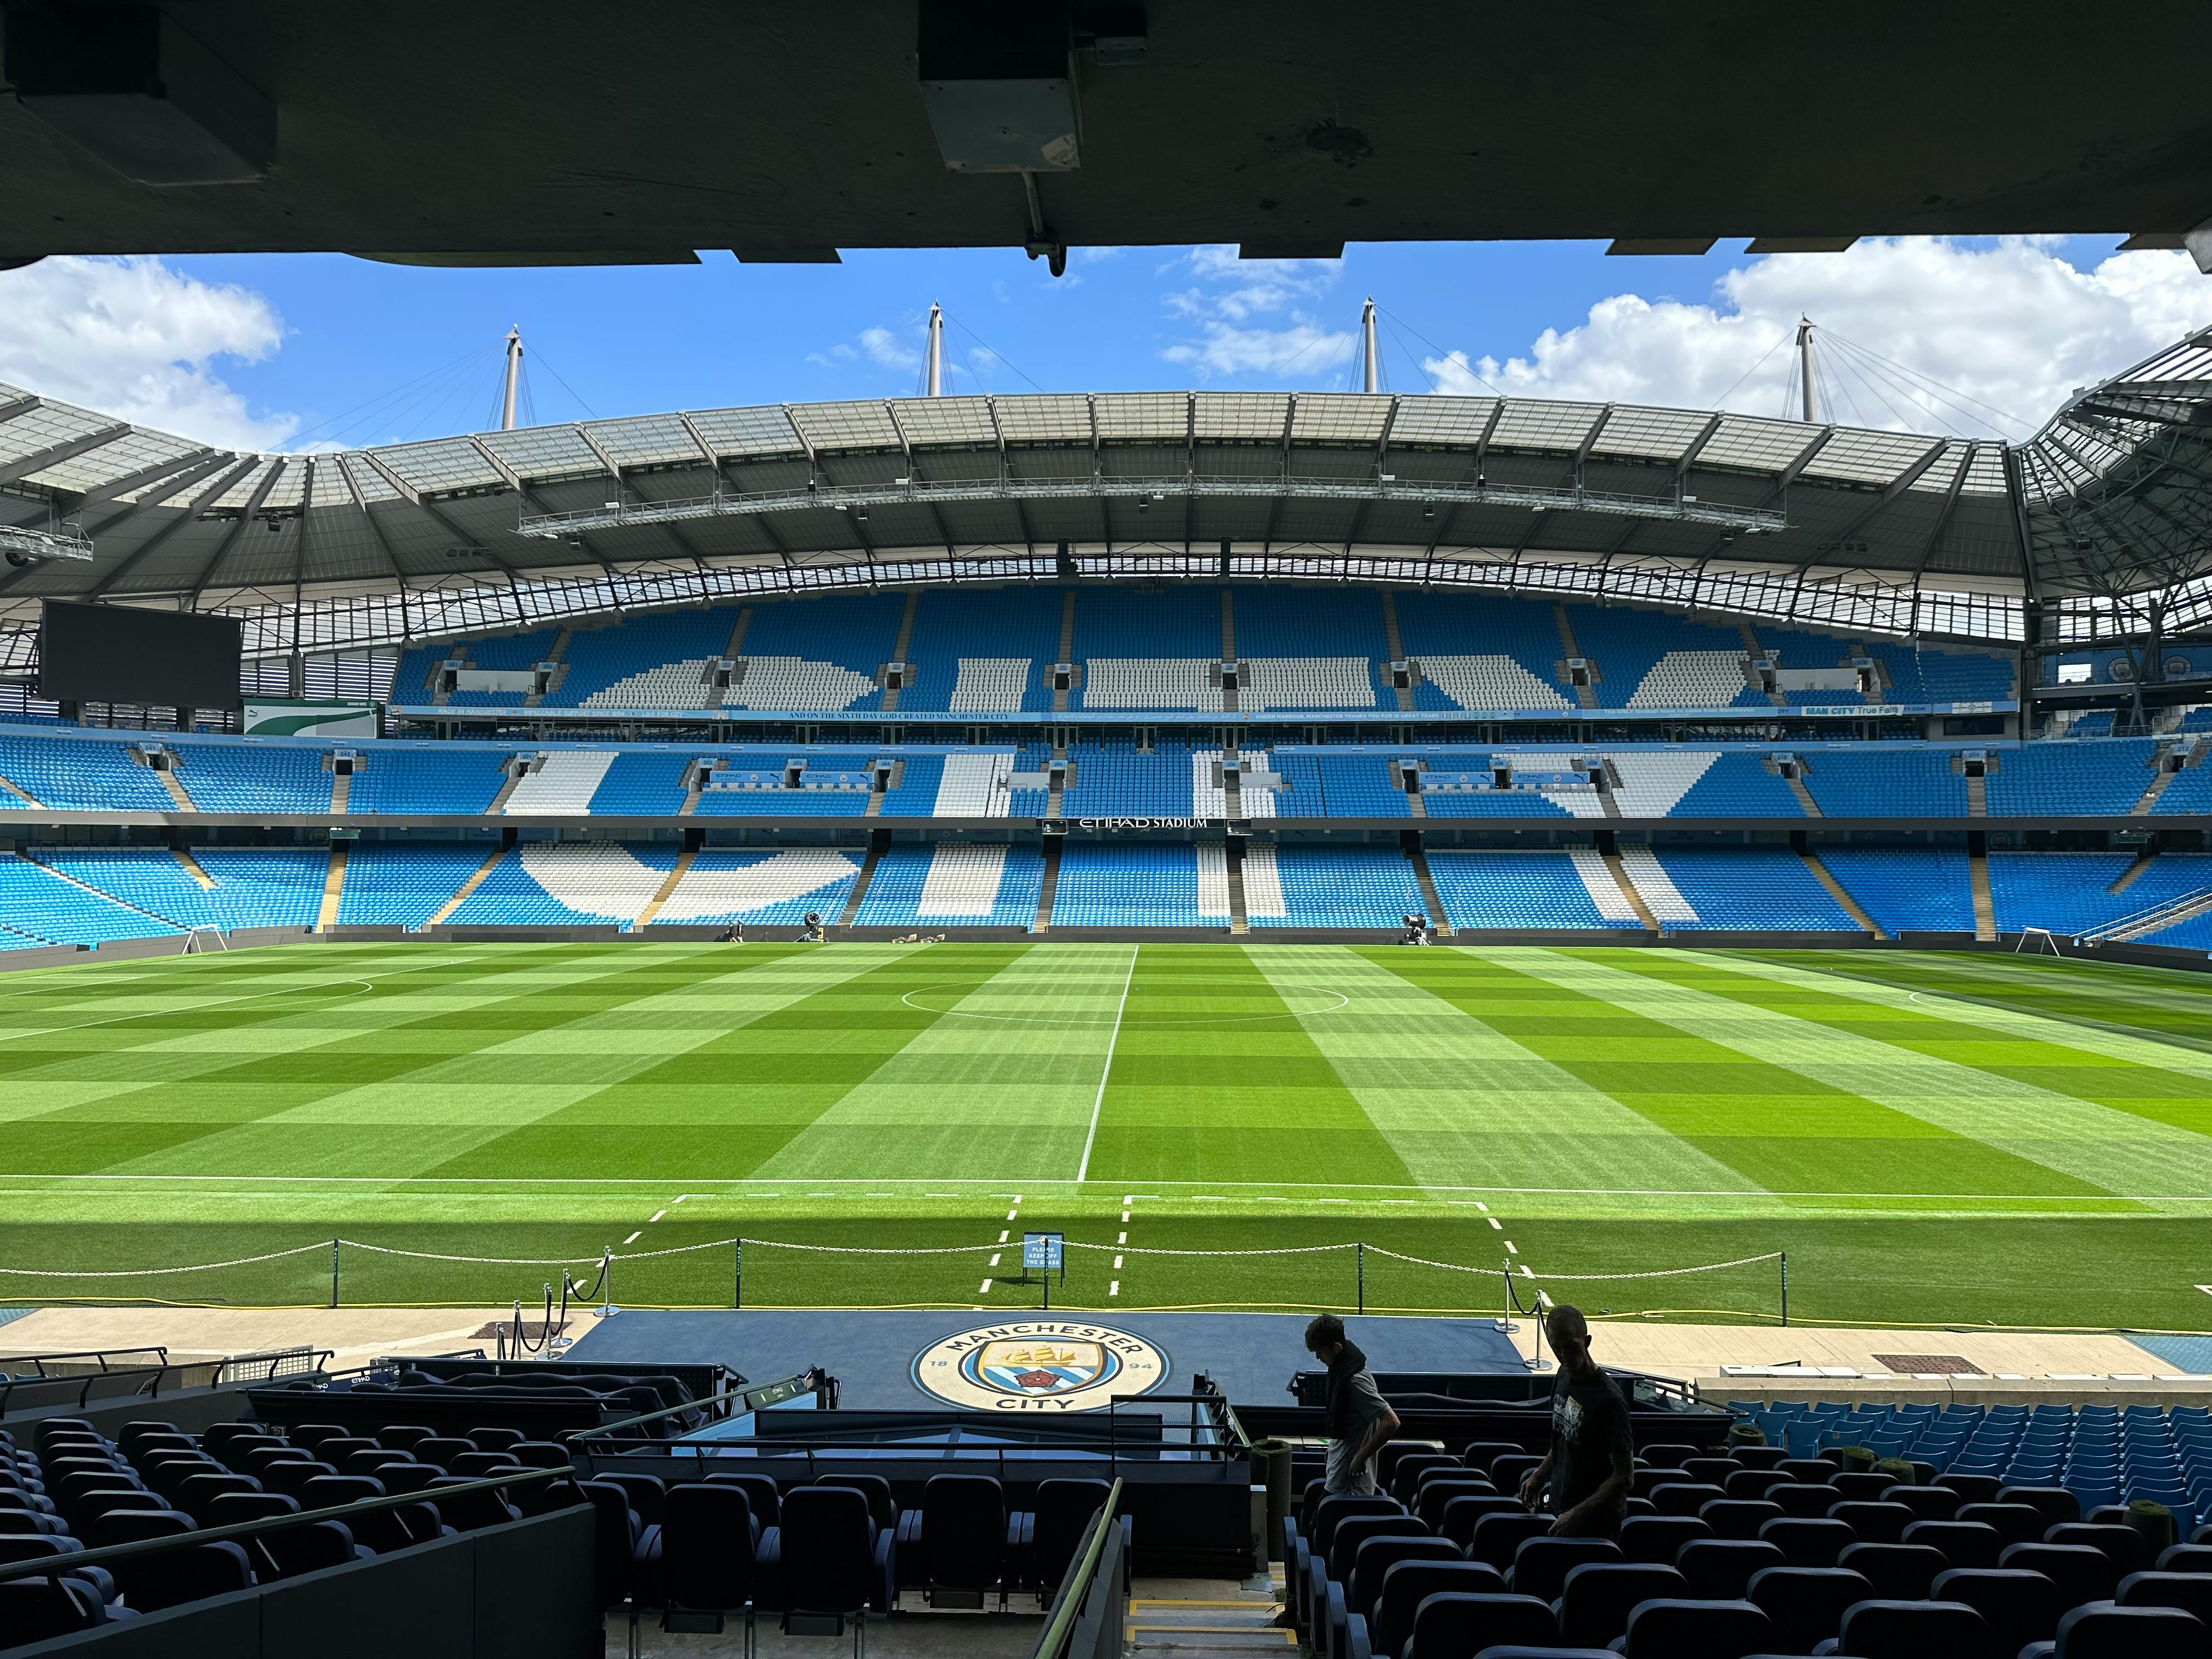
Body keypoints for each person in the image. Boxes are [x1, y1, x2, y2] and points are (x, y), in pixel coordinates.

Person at [1517, 1304, 1634, 1536]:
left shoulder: (1609, 1401)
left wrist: (1576, 1515)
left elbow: (1624, 1477)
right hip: (1562, 1507)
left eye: (1571, 1347)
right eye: (1556, 1348)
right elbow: (1564, 1437)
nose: (1564, 1356)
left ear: (1587, 1341)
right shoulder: (1562, 1377)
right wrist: (1540, 1475)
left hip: (1596, 1523)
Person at [1304, 1313, 1400, 1495]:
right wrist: (1334, 1450)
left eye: (1321, 1351)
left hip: (1348, 1486)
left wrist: (1360, 1458)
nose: (1318, 1357)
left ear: (1337, 1348)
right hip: (1339, 1474)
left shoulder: (1354, 1381)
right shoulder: (1346, 1369)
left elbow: (1392, 1422)